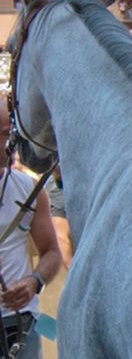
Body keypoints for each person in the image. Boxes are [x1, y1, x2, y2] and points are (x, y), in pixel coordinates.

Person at [0, 95, 63, 358]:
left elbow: (51, 252)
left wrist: (33, 281)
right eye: (3, 135)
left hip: (20, 323)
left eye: (9, 133)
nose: (10, 144)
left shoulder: (30, 189)